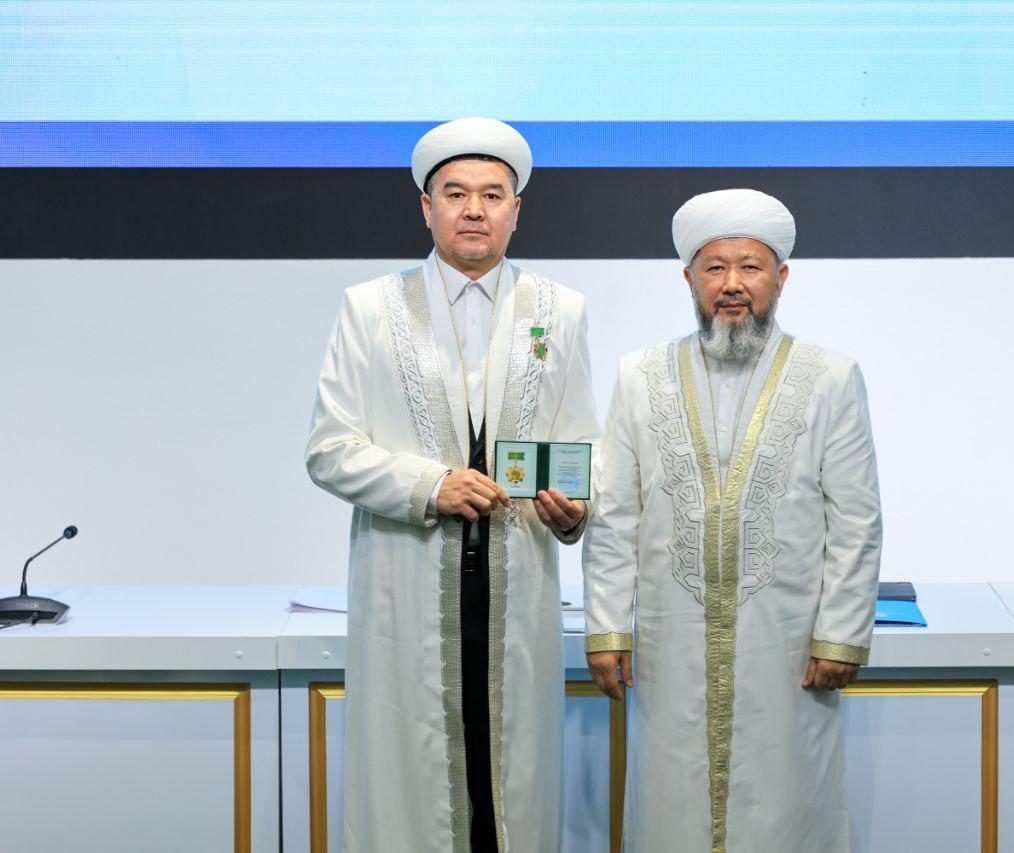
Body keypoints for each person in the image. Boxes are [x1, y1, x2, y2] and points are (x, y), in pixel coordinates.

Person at [306, 117, 598, 852]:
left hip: (516, 583)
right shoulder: (370, 307)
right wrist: (430, 484)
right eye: (456, 193)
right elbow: (329, 448)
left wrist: (574, 512)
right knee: (412, 786)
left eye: (492, 195)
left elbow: (580, 443)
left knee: (510, 788)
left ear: (516, 211)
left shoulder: (560, 310)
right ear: (426, 207)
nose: (474, 210)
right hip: (408, 585)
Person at [582, 188, 882, 852]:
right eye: (715, 268)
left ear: (782, 277)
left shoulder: (831, 377)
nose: (733, 285)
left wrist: (840, 634)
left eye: (751, 267)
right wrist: (606, 625)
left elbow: (857, 518)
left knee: (786, 805)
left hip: (787, 642)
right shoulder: (640, 376)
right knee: (672, 802)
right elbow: (616, 513)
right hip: (670, 641)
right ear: (689, 278)